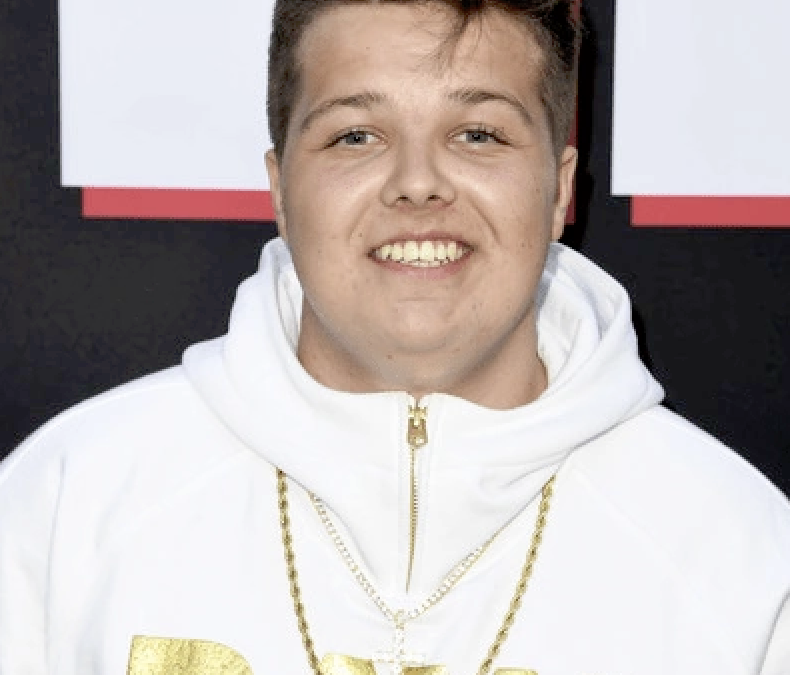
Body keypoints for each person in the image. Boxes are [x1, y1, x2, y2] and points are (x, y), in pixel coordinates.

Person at [1, 0, 789, 673]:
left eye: (477, 134)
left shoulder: (740, 559)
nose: (417, 182)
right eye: (356, 136)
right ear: (280, 190)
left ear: (558, 190)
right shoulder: (64, 507)